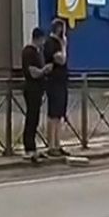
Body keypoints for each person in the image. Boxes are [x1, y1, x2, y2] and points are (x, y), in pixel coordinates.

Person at [21, 28, 52, 164]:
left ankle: (32, 146)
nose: (43, 42)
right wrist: (44, 70)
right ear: (38, 38)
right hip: (31, 89)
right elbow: (32, 72)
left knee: (35, 118)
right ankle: (29, 147)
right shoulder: (29, 52)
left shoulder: (38, 53)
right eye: (42, 39)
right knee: (31, 118)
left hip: (37, 90)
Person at [42, 19, 70, 157]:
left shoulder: (58, 43)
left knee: (59, 114)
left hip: (61, 81)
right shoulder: (51, 43)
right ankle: (51, 145)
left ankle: (58, 144)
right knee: (53, 114)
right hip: (54, 82)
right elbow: (61, 59)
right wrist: (64, 45)